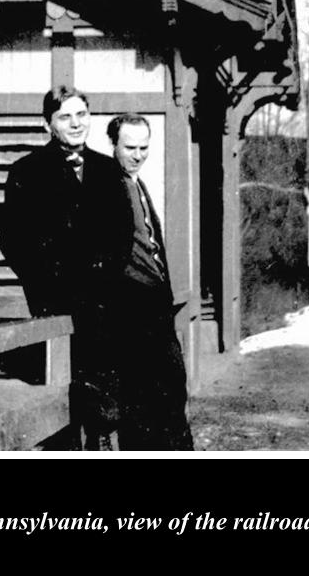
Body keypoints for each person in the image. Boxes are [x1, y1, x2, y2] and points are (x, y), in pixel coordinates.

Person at [0, 86, 125, 451]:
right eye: (65, 117)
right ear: (48, 124)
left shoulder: (107, 169)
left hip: (102, 309)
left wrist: (108, 285)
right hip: (54, 307)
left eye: (81, 115)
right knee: (58, 406)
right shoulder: (27, 171)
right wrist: (45, 290)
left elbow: (122, 237)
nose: (75, 124)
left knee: (101, 407)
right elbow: (12, 241)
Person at [104, 114, 195, 451]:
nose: (138, 155)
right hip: (129, 312)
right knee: (142, 404)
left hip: (156, 308)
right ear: (113, 145)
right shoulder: (107, 186)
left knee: (173, 388)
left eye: (144, 148)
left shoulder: (137, 184)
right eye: (130, 147)